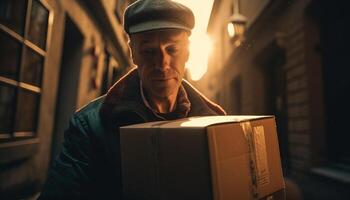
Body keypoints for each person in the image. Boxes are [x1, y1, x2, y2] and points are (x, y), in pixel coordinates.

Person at [39, 0, 226, 199]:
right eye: (149, 51)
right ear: (133, 53)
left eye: (172, 50)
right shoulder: (90, 127)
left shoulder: (215, 123)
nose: (162, 63)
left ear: (188, 52)